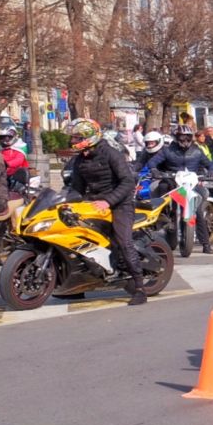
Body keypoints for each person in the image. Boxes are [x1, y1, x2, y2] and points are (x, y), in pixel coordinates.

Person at [66, 119, 148, 305]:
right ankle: (79, 283)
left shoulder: (112, 154)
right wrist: (66, 201)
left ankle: (139, 287)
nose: (73, 140)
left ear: (89, 137)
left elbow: (127, 182)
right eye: (73, 137)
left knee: (124, 241)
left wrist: (108, 201)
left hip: (120, 203)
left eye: (77, 137)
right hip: (95, 202)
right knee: (77, 235)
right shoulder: (80, 159)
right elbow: (77, 188)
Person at [146, 124, 213, 254]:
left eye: (187, 137)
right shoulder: (167, 150)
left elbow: (210, 164)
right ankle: (161, 220)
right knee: (161, 188)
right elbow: (152, 162)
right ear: (176, 137)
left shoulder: (197, 151)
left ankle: (206, 244)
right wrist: (154, 170)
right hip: (173, 183)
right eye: (181, 137)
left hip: (191, 185)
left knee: (198, 211)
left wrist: (211, 171)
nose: (184, 140)